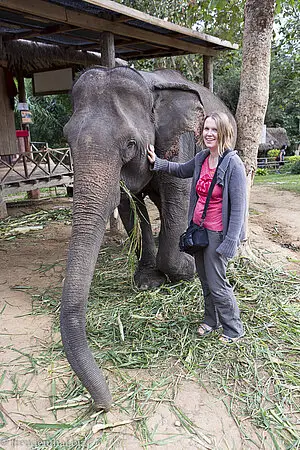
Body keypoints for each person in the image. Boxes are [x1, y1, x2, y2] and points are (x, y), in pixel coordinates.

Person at [147, 112, 247, 344]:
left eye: (214, 129)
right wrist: (158, 163)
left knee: (218, 283)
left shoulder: (233, 164)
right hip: (199, 231)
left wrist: (231, 241)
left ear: (224, 133)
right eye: (206, 129)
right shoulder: (202, 157)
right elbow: (182, 170)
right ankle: (211, 320)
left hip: (218, 234)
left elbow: (239, 208)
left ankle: (234, 329)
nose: (209, 134)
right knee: (204, 279)